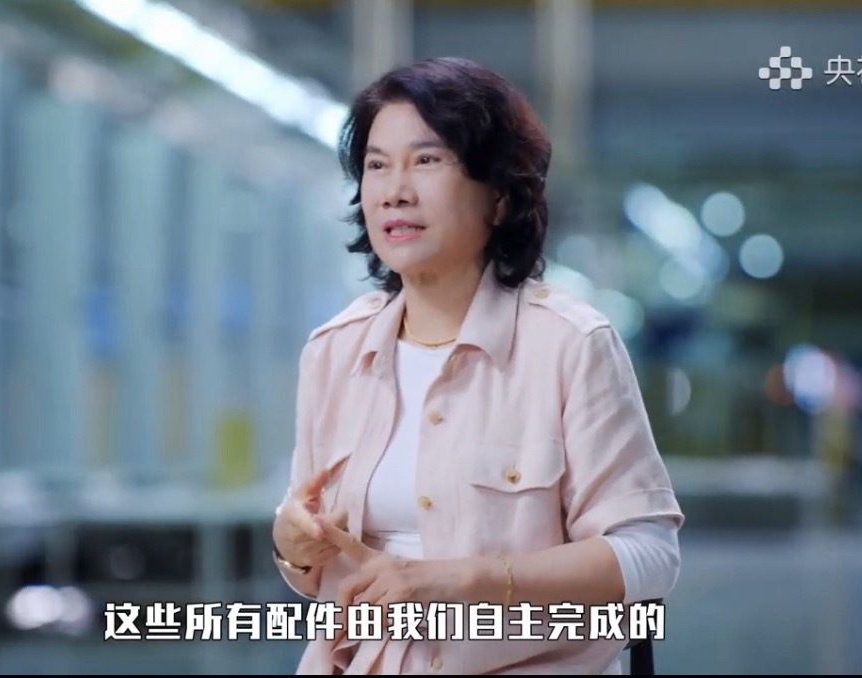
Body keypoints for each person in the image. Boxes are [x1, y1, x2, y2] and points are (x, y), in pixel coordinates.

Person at [270, 56, 684, 675]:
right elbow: (314, 561)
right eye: (377, 165)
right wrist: (294, 547)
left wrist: (468, 581)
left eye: (427, 160)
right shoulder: (334, 351)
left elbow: (650, 556)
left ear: (499, 197)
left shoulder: (570, 345)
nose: (395, 189)